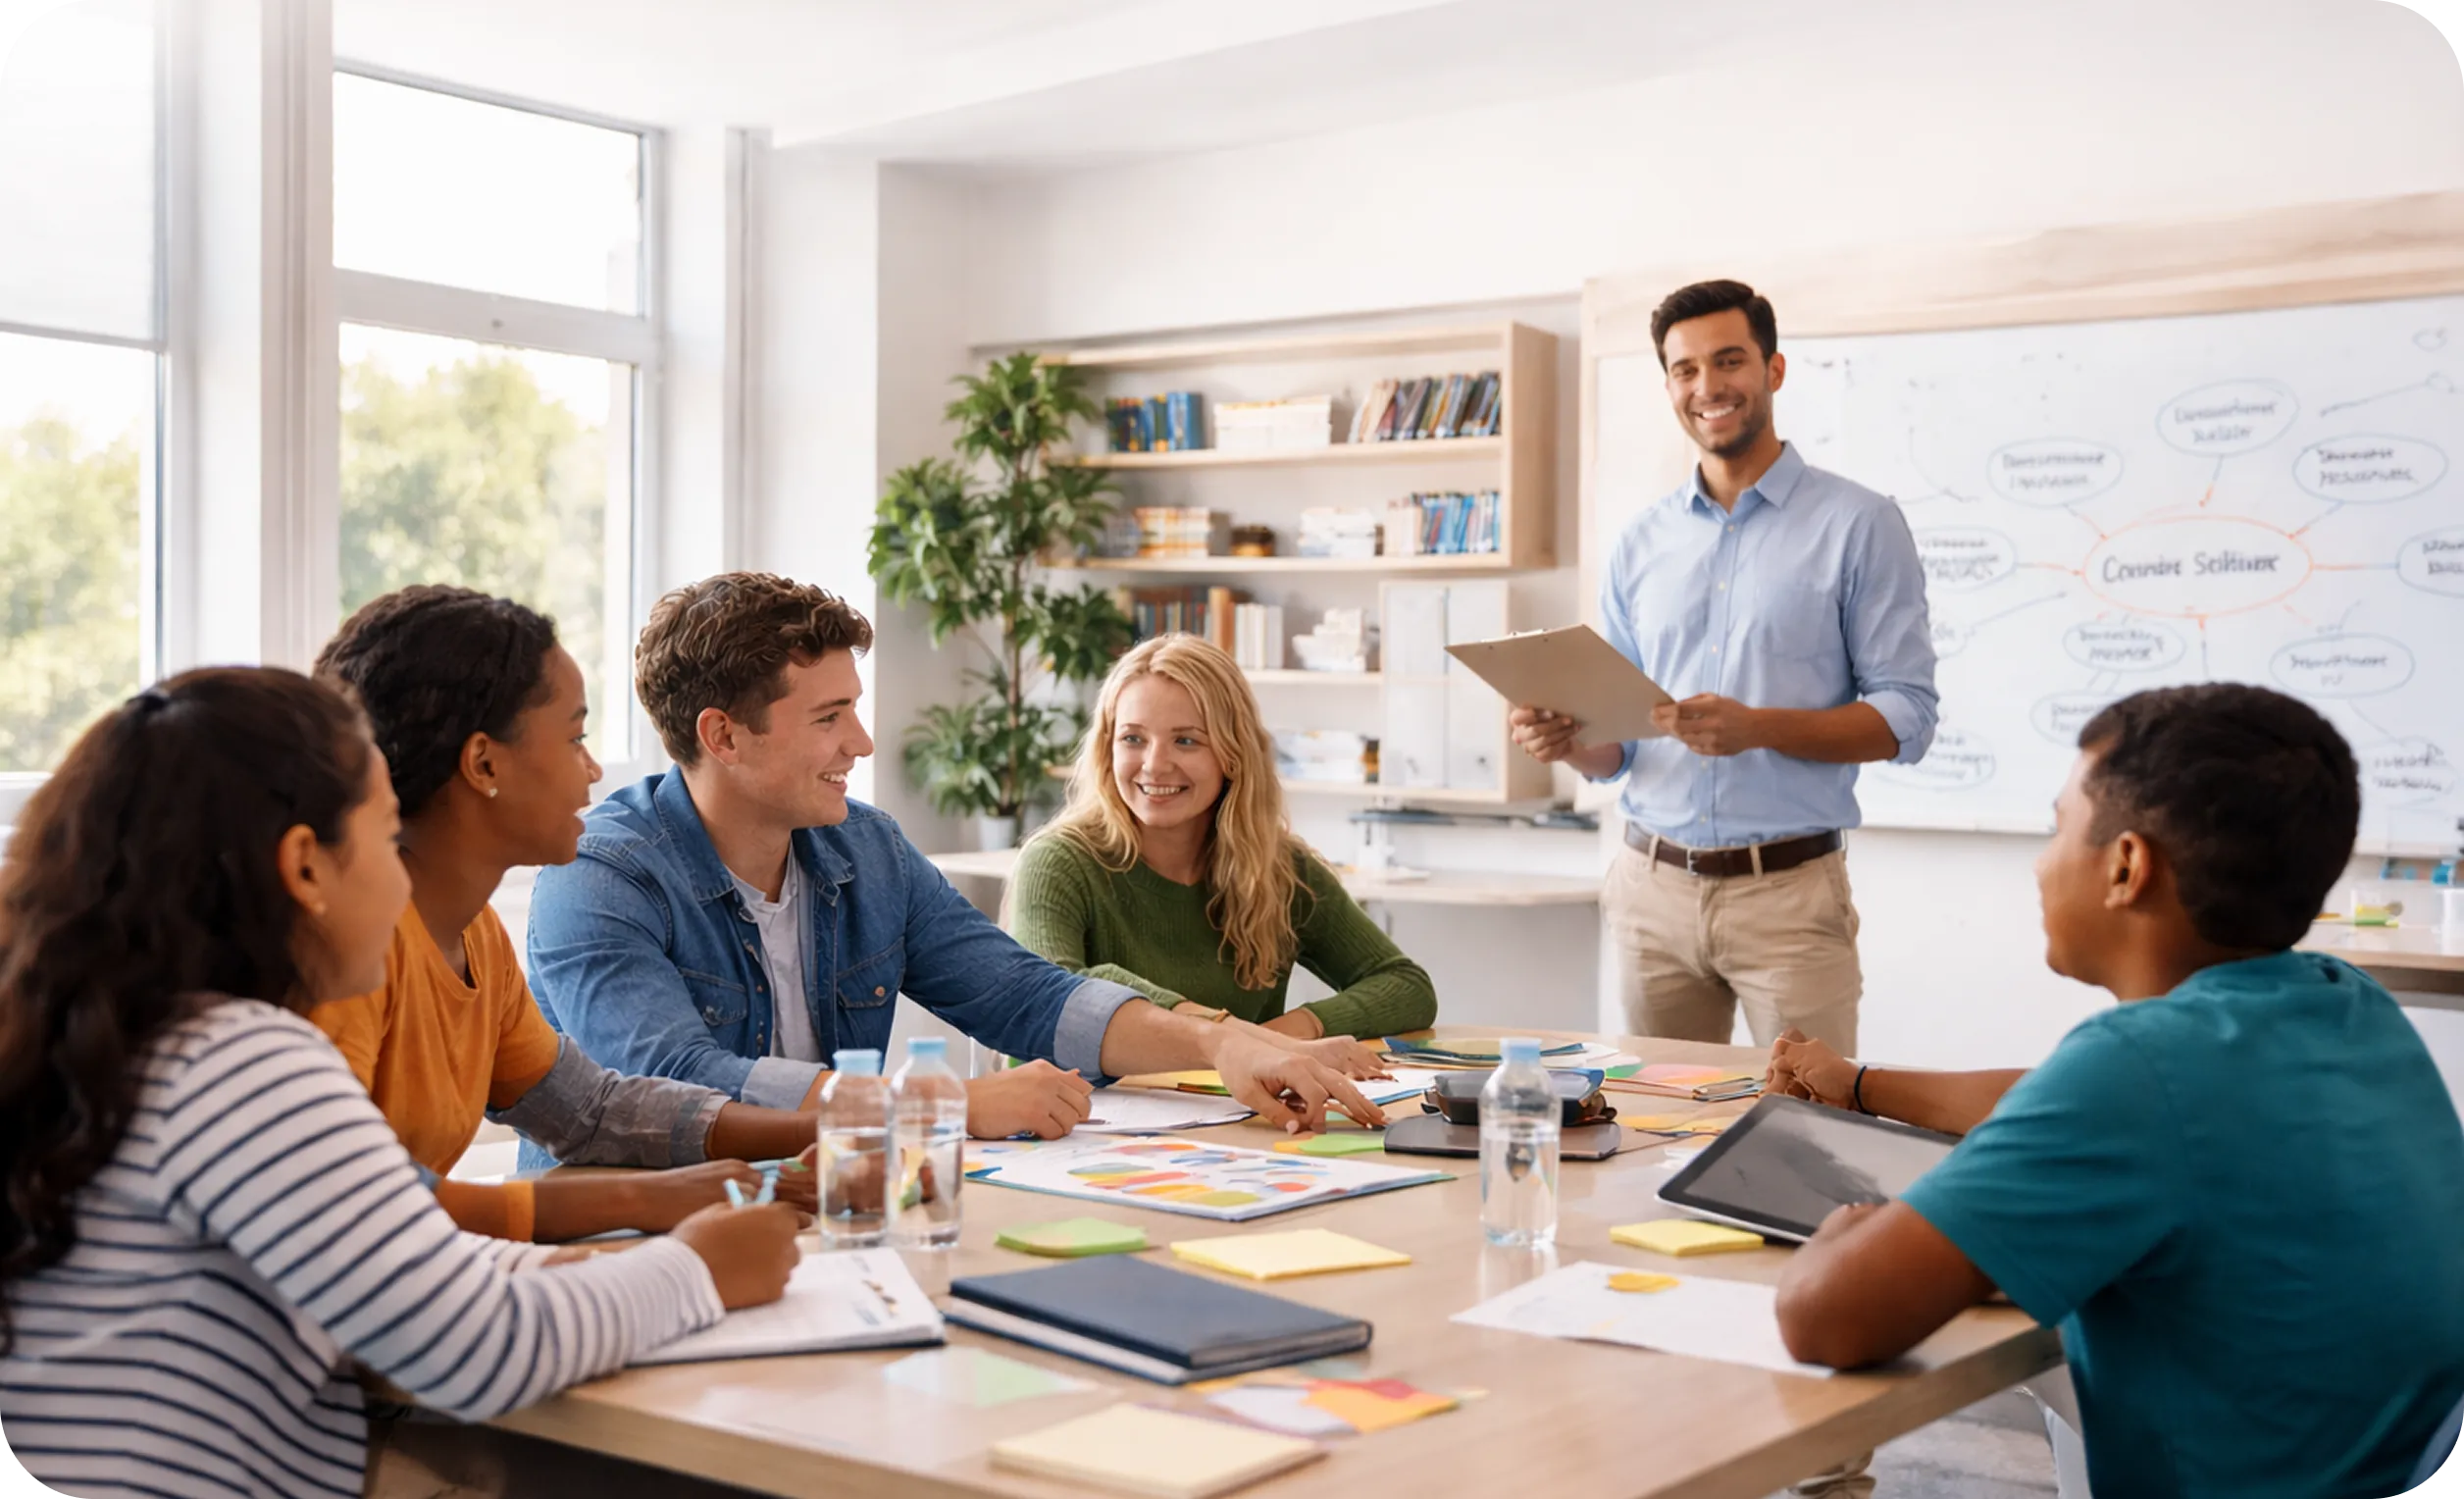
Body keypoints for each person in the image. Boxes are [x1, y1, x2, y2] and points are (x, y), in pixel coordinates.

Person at [0, 668, 799, 1498]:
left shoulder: (108, 1038)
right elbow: (475, 1351)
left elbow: (390, 1274)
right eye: (387, 842)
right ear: (306, 867)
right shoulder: (237, 1063)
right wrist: (700, 1268)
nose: (401, 884)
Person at [1771, 684, 2464, 1499]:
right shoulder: (2346, 1004)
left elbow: (1825, 1319)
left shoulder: (2137, 1072)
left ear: (2128, 866)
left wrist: (1847, 1227)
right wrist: (1859, 1085)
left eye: (2058, 827)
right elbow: (2064, 1102)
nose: (2041, 859)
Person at [527, 572, 1387, 1140]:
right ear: (724, 736)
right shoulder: (600, 875)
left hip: (818, 1218)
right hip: (635, 1243)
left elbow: (1024, 993)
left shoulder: (864, 848)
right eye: (828, 718)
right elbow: (679, 1083)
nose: (861, 742)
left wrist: (1220, 1045)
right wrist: (940, 1107)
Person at [311, 585, 823, 1242]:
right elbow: (358, 1207)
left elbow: (590, 1110)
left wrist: (825, 1129)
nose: (591, 770)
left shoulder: (473, 933)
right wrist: (647, 1205)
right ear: (483, 762)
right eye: (575, 737)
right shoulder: (349, 954)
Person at [1509, 279, 1937, 1058]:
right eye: (1685, 369)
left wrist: (1759, 728)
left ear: (1773, 370)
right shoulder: (1640, 541)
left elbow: (1907, 717)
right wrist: (1566, 739)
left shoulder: (1860, 524)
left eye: (1730, 360)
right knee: (1652, 1138)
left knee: (1810, 1131)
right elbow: (1620, 750)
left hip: (1789, 899)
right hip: (1650, 892)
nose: (1708, 387)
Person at [1008, 634, 1437, 1040]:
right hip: (1084, 1116)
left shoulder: (1280, 868)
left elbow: (1406, 986)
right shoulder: (1057, 862)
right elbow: (1054, 993)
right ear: (1108, 749)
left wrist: (1281, 1037)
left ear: (1233, 755)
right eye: (1133, 738)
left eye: (1186, 741)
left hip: (1235, 1116)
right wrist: (1220, 1035)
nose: (1155, 765)